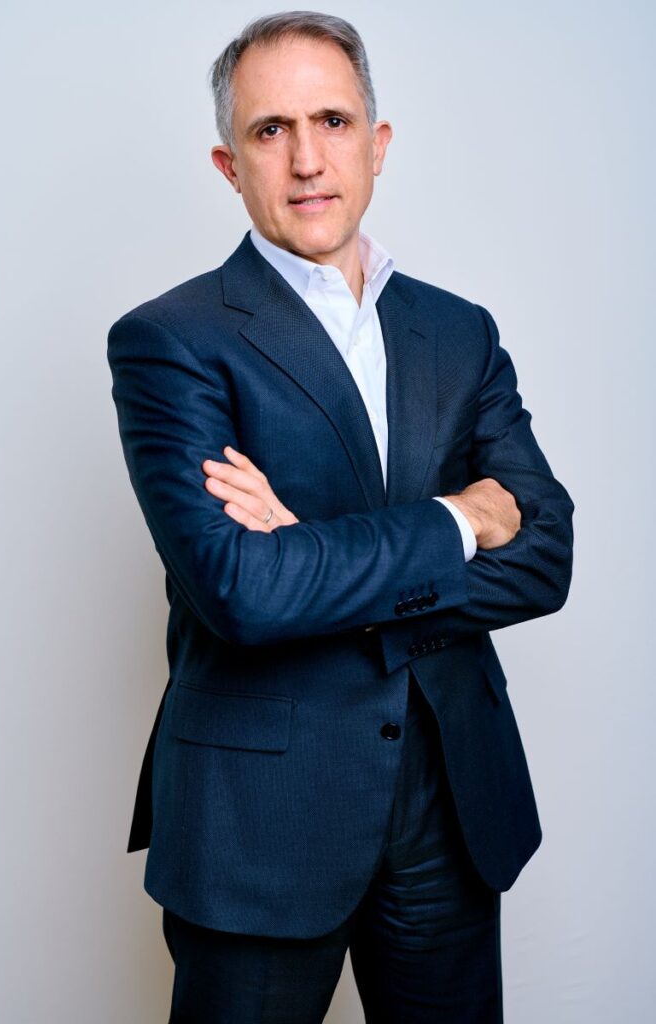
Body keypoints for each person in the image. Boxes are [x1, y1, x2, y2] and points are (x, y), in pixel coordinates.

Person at [107, 11, 574, 1023]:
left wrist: (309, 555)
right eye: (270, 129)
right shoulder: (169, 342)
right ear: (230, 166)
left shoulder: (457, 330)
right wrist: (456, 520)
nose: (307, 158)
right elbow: (241, 592)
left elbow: (546, 558)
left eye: (331, 120)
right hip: (260, 818)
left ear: (377, 142)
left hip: (449, 801)